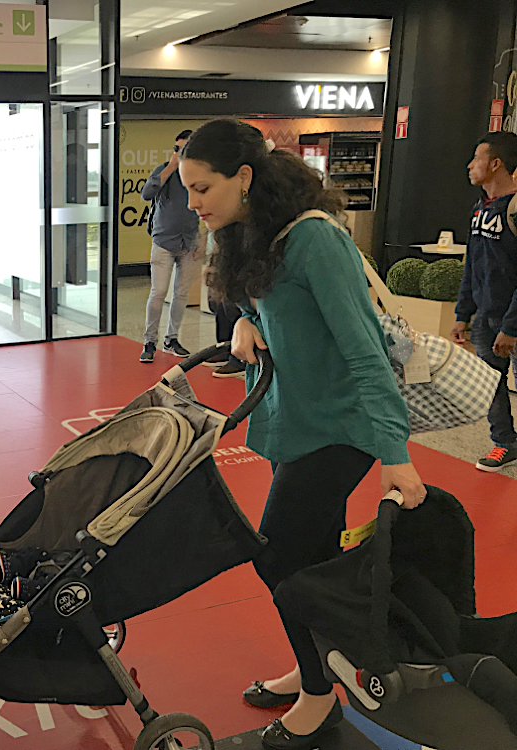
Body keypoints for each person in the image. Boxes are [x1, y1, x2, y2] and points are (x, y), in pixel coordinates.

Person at [180, 119, 426, 749]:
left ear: (244, 177)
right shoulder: (244, 233)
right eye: (188, 189)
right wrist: (243, 323)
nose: (193, 202)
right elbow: (265, 304)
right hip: (295, 419)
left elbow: (366, 351)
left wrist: (394, 456)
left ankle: (321, 693)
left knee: (279, 558)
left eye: (203, 187)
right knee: (312, 558)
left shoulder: (315, 239)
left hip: (338, 430)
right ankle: (316, 663)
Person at [451, 132, 517, 472]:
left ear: (496, 163)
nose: (469, 166)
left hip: (511, 321)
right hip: (485, 319)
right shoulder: (481, 209)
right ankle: (505, 442)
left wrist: (511, 327)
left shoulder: (515, 210)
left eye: (476, 158)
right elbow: (472, 264)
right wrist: (463, 313)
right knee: (492, 384)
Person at [139, 130, 202, 363]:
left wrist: (202, 238)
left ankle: (172, 338)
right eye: (176, 149)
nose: (179, 153)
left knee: (182, 294)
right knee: (158, 293)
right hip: (164, 240)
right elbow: (147, 194)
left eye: (184, 150)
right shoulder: (164, 170)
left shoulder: (200, 174)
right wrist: (171, 167)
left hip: (189, 241)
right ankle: (149, 341)